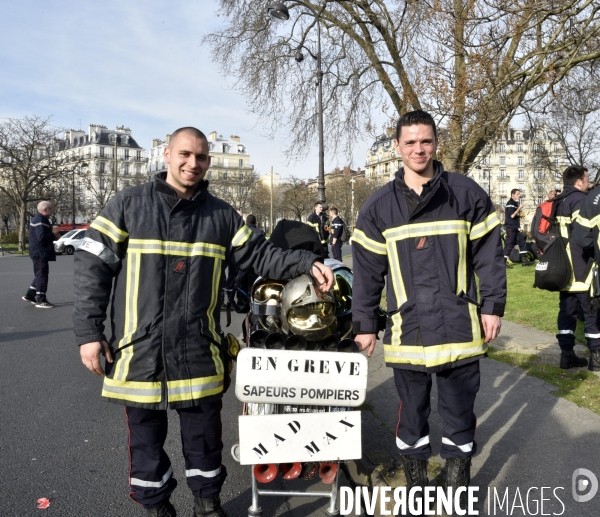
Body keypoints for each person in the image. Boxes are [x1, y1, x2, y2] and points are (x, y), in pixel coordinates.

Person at [73, 127, 334, 517]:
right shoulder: (128, 204)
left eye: (201, 157)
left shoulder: (222, 215)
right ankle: (156, 507)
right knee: (145, 443)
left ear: (208, 161)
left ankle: (207, 505)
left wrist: (307, 262)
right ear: (166, 154)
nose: (192, 163)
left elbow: (261, 256)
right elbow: (92, 268)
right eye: (185, 154)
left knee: (205, 441)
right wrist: (89, 334)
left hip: (198, 349)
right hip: (140, 350)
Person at [351, 110, 505, 510]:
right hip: (408, 332)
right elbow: (367, 273)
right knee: (412, 420)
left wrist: (492, 306)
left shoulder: (465, 193)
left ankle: (458, 491)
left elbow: (490, 255)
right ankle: (419, 491)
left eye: (426, 141)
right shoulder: (378, 207)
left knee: (459, 416)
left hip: (459, 327)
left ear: (436, 144)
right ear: (398, 147)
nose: (419, 149)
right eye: (410, 143)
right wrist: (365, 324)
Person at [561, 167, 600, 372]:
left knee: (567, 312)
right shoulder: (579, 200)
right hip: (581, 264)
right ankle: (596, 356)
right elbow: (584, 236)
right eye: (586, 179)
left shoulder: (559, 199)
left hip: (563, 268)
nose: (588, 183)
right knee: (591, 310)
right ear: (578, 181)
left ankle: (566, 355)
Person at [22, 201, 60, 309]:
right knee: (42, 275)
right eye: (50, 208)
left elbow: (42, 236)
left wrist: (53, 236)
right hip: (39, 252)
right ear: (44, 210)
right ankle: (40, 299)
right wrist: (53, 234)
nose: (52, 210)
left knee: (40, 274)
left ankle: (30, 295)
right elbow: (41, 237)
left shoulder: (40, 219)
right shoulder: (39, 219)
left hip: (38, 251)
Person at [503, 189, 528, 267]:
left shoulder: (514, 203)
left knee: (522, 242)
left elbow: (515, 216)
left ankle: (524, 261)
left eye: (519, 194)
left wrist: (521, 215)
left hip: (516, 227)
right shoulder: (510, 203)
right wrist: (519, 208)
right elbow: (512, 215)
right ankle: (503, 263)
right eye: (517, 194)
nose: (519, 195)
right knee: (509, 244)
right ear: (512, 195)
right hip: (511, 227)